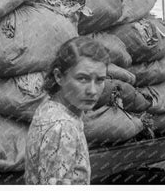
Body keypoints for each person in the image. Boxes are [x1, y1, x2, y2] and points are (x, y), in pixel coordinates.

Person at [25, 37, 110, 185]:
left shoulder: (50, 108)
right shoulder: (63, 126)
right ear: (59, 77)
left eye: (100, 80)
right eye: (82, 79)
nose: (92, 90)